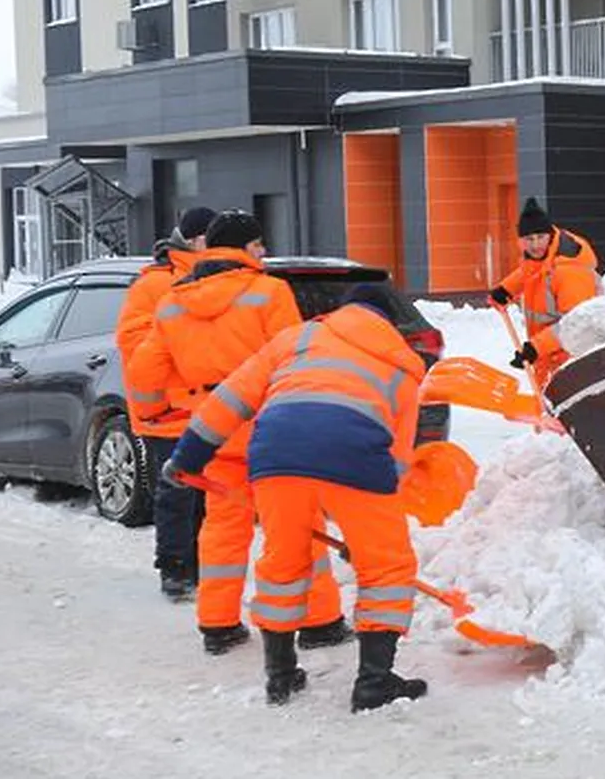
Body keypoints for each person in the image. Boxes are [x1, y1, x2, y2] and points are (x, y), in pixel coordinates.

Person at [162, 283, 428, 711]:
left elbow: (231, 397)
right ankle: (374, 682)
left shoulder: (299, 337)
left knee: (284, 559)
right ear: (387, 322)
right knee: (386, 567)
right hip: (357, 453)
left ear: (342, 311)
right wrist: (366, 532)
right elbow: (397, 459)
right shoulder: (403, 368)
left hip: (274, 453)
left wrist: (188, 456)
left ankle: (281, 675)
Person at [125, 210, 350, 656]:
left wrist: (158, 414)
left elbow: (143, 371)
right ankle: (319, 620)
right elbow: (292, 358)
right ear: (245, 248)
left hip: (213, 431)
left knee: (222, 529)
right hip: (272, 429)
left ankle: (218, 624)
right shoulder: (268, 292)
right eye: (259, 245)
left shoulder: (172, 302)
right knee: (297, 523)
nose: (264, 252)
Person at [117, 205, 215, 601]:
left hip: (210, 410)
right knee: (177, 493)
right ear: (194, 240)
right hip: (167, 412)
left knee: (208, 496)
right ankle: (175, 568)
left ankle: (202, 567)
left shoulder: (219, 280)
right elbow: (134, 343)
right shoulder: (155, 285)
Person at [490, 197, 601, 384]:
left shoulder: (569, 271)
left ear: (550, 235)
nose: (535, 245)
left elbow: (576, 324)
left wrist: (535, 348)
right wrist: (506, 289)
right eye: (528, 239)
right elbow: (532, 272)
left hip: (572, 361)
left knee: (565, 410)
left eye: (540, 237)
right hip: (550, 356)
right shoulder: (543, 257)